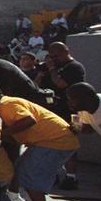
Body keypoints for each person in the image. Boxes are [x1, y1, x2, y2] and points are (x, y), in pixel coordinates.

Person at [0, 80, 79, 201]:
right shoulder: (4, 106)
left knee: (31, 176)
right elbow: (16, 136)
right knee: (21, 169)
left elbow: (28, 120)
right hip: (50, 140)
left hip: (55, 141)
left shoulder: (7, 104)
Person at [36, 42, 86, 189]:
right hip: (54, 111)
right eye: (51, 56)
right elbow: (37, 85)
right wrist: (41, 72)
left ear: (65, 52)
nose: (53, 59)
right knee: (51, 142)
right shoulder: (52, 68)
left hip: (75, 113)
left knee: (72, 142)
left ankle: (71, 177)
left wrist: (51, 68)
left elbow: (61, 84)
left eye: (56, 56)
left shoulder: (75, 67)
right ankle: (56, 173)